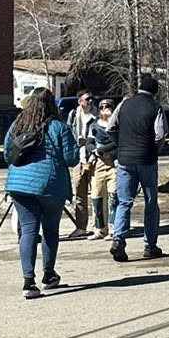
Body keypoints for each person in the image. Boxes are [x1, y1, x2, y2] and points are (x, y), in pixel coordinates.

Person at [4, 88, 78, 296]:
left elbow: (6, 153)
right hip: (50, 185)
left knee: (27, 230)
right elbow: (71, 158)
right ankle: (49, 274)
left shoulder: (16, 125)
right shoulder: (58, 127)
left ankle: (28, 281)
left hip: (18, 183)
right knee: (50, 230)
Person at [109, 70, 167, 263]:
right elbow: (160, 134)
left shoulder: (124, 104)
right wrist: (154, 150)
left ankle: (118, 239)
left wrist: (120, 144)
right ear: (155, 92)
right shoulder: (155, 107)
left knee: (124, 201)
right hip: (147, 160)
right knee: (150, 203)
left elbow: (110, 127)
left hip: (124, 160)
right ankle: (150, 245)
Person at [67, 91, 100, 236]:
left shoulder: (98, 115)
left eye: (92, 98)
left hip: (94, 158)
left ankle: (99, 226)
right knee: (79, 194)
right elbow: (68, 134)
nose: (90, 101)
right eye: (87, 99)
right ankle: (81, 227)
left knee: (97, 194)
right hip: (78, 159)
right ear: (80, 101)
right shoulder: (74, 115)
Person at [87, 100, 119, 238]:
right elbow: (88, 143)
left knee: (113, 196)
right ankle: (99, 229)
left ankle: (113, 228)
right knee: (97, 196)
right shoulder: (94, 126)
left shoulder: (118, 125)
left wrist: (103, 150)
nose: (105, 109)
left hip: (114, 163)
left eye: (108, 106)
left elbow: (118, 142)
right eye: (102, 107)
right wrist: (95, 151)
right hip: (98, 164)